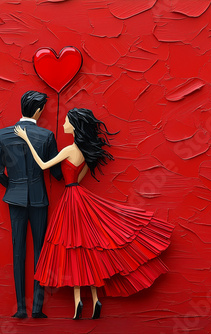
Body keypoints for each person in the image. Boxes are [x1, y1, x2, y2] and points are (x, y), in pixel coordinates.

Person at [14, 108, 173, 320]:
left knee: (74, 247)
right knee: (89, 247)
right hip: (81, 197)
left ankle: (78, 300)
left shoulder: (69, 150)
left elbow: (43, 165)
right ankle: (96, 298)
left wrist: (26, 139)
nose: (63, 124)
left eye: (67, 122)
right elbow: (78, 179)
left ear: (75, 126)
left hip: (70, 200)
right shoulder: (85, 153)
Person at [0, 90, 63, 319]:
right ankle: (37, 308)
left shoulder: (3, 135)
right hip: (39, 199)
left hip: (15, 197)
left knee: (18, 251)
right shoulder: (46, 136)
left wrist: (12, 186)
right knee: (40, 252)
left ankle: (21, 308)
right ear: (39, 111)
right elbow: (57, 174)